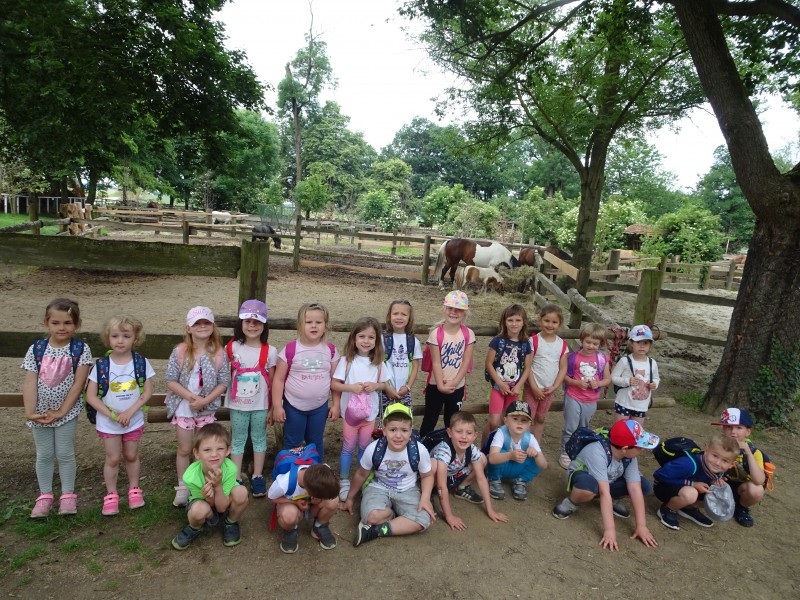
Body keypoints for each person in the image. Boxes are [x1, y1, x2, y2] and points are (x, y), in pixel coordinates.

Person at [23, 298, 93, 518]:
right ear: (47, 323)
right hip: (40, 413)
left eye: (68, 322)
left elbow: (78, 384)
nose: (62, 327)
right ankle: (45, 495)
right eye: (56, 323)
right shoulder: (37, 349)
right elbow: (30, 381)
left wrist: (62, 411)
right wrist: (31, 412)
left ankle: (68, 495)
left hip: (67, 413)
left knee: (65, 453)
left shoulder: (80, 349)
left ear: (77, 324)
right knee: (44, 454)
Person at [552, 419, 660, 552]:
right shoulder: (597, 452)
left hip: (608, 481)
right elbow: (604, 493)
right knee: (588, 487)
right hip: (586, 481)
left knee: (644, 486)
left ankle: (614, 499)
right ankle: (571, 502)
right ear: (625, 449)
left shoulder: (629, 456)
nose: (643, 449)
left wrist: (641, 525)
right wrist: (610, 530)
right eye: (639, 446)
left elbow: (635, 489)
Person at [85, 315, 155, 516]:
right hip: (109, 423)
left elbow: (147, 392)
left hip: (133, 420)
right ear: (108, 338)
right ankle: (111, 494)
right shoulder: (101, 366)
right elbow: (91, 396)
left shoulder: (141, 363)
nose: (120, 341)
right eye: (115, 336)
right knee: (113, 458)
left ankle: (134, 489)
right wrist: (112, 415)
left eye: (126, 336)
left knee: (131, 455)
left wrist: (130, 412)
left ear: (135, 338)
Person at [344, 403, 435, 546]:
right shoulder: (374, 449)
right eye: (393, 430)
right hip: (378, 487)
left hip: (408, 489)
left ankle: (377, 530)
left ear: (411, 430)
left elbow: (427, 475)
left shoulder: (419, 450)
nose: (398, 435)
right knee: (371, 517)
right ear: (384, 429)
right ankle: (393, 515)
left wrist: (425, 499)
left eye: (404, 430)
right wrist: (350, 498)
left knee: (424, 520)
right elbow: (361, 474)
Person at [165, 306, 230, 507]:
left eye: (206, 323)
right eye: (197, 323)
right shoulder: (180, 352)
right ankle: (183, 486)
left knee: (205, 449)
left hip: (206, 409)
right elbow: (170, 380)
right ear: (188, 328)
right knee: (185, 448)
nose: (202, 326)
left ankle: (205, 485)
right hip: (184, 407)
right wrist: (192, 398)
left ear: (213, 326)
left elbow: (223, 382)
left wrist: (205, 401)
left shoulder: (219, 353)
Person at [270, 303, 341, 461]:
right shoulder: (290, 349)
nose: (314, 326)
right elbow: (278, 380)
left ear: (326, 326)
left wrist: (336, 405)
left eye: (318, 322)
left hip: (319, 407)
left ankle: (316, 472)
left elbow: (335, 381)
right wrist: (277, 406)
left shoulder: (330, 350)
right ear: (300, 325)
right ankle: (290, 473)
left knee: (315, 442)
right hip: (293, 406)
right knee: (293, 442)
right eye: (309, 322)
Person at [332, 317, 390, 502]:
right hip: (350, 415)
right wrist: (351, 388)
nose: (366, 341)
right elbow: (335, 384)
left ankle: (361, 478)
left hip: (369, 415)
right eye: (362, 336)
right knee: (348, 447)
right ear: (354, 338)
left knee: (365, 447)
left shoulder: (379, 363)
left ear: (377, 340)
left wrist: (375, 386)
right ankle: (344, 480)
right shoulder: (346, 361)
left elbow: (384, 384)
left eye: (371, 337)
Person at [224, 299, 277, 498]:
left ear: (264, 325)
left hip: (260, 405)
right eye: (247, 321)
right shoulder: (232, 348)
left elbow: (272, 381)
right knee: (238, 439)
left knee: (259, 438)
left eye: (257, 322)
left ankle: (257, 475)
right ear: (241, 323)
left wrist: (272, 407)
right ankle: (236, 476)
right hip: (237, 405)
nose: (252, 326)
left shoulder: (270, 351)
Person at [171, 423, 249, 550]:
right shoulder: (190, 476)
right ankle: (194, 528)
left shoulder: (231, 469)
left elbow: (222, 508)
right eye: (207, 450)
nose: (214, 454)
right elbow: (207, 503)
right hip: (204, 503)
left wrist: (217, 486)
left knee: (241, 492)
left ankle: (230, 522)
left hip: (223, 501)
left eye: (220, 449)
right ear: (197, 453)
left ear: (228, 450)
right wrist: (208, 498)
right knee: (197, 511)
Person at [431, 411, 508, 530]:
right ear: (450, 433)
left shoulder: (471, 449)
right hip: (437, 480)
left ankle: (461, 488)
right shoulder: (444, 450)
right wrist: (449, 516)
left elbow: (481, 479)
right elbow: (441, 486)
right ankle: (428, 494)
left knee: (482, 458)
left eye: (469, 433)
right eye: (459, 431)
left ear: (475, 436)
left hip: (452, 475)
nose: (464, 436)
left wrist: (490, 510)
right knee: (433, 465)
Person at [653, 433, 739, 530]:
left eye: (725, 461)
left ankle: (687, 507)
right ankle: (668, 509)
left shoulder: (718, 469)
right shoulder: (689, 464)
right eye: (715, 456)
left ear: (732, 464)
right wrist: (692, 484)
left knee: (717, 491)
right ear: (706, 450)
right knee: (691, 493)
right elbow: (659, 475)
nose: (718, 463)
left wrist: (714, 482)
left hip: (685, 487)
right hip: (663, 487)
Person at [419, 290, 476, 436]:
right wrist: (440, 385)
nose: (453, 312)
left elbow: (466, 361)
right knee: (429, 420)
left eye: (458, 309)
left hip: (457, 386)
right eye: (450, 308)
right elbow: (436, 362)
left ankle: (450, 447)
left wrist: (455, 382)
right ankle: (424, 447)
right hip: (435, 385)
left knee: (453, 422)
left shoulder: (468, 334)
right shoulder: (435, 334)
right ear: (444, 309)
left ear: (465, 313)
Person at [558, 323, 611, 469]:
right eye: (588, 342)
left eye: (595, 343)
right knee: (570, 427)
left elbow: (607, 379)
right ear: (582, 340)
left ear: (600, 344)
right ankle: (565, 452)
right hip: (573, 396)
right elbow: (564, 376)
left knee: (583, 427)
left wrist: (598, 383)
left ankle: (578, 451)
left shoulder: (602, 359)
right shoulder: (572, 357)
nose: (591, 346)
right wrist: (576, 383)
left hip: (591, 400)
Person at [482, 304, 532, 446]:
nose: (514, 324)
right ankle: (484, 449)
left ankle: (502, 449)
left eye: (518, 320)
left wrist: (519, 386)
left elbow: (527, 368)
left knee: (510, 421)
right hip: (498, 387)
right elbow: (489, 363)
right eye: (510, 320)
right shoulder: (498, 341)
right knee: (494, 422)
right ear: (504, 322)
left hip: (514, 389)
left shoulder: (525, 344)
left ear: (524, 322)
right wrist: (500, 383)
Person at [268, 462, 341, 553]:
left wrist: (317, 500)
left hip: (309, 503)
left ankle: (320, 525)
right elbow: (271, 498)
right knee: (288, 516)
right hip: (292, 506)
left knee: (333, 500)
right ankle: (290, 530)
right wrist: (294, 502)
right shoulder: (284, 483)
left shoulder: (325, 471)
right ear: (307, 490)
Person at [712, 408, 766, 527]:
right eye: (728, 427)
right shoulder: (716, 446)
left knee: (757, 490)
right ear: (723, 429)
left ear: (748, 432)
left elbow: (759, 481)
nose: (733, 432)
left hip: (741, 488)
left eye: (739, 428)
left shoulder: (754, 452)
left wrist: (747, 452)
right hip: (720, 485)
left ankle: (740, 508)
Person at [486, 401, 548, 501]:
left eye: (524, 420)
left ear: (529, 424)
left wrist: (536, 455)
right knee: (500, 452)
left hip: (517, 468)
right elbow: (492, 458)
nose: (520, 423)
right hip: (502, 466)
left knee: (537, 458)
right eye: (515, 419)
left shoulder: (530, 438)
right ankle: (494, 478)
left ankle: (520, 480)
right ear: (506, 421)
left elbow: (544, 465)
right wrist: (510, 455)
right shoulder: (501, 433)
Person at [525, 304, 568, 442]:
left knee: (540, 417)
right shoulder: (534, 341)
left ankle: (535, 446)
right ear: (540, 320)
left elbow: (563, 368)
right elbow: (528, 365)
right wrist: (534, 387)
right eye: (547, 321)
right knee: (527, 416)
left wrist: (554, 387)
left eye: (554, 322)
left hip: (548, 389)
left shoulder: (562, 344)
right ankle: (523, 445)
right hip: (532, 387)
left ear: (559, 324)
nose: (550, 325)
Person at [379, 299, 422, 423]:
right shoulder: (382, 339)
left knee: (405, 422)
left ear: (409, 318)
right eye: (395, 313)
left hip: (404, 392)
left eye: (404, 314)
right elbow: (377, 364)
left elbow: (415, 366)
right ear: (389, 316)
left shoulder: (413, 342)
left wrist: (408, 387)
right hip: (385, 390)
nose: (399, 317)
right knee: (385, 422)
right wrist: (386, 387)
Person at [611, 324, 660, 425]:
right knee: (620, 429)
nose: (642, 346)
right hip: (624, 403)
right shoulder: (625, 361)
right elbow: (613, 378)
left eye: (645, 343)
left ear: (650, 345)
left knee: (636, 431)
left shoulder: (652, 363)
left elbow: (656, 378)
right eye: (638, 342)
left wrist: (654, 384)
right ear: (631, 343)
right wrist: (627, 381)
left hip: (641, 406)